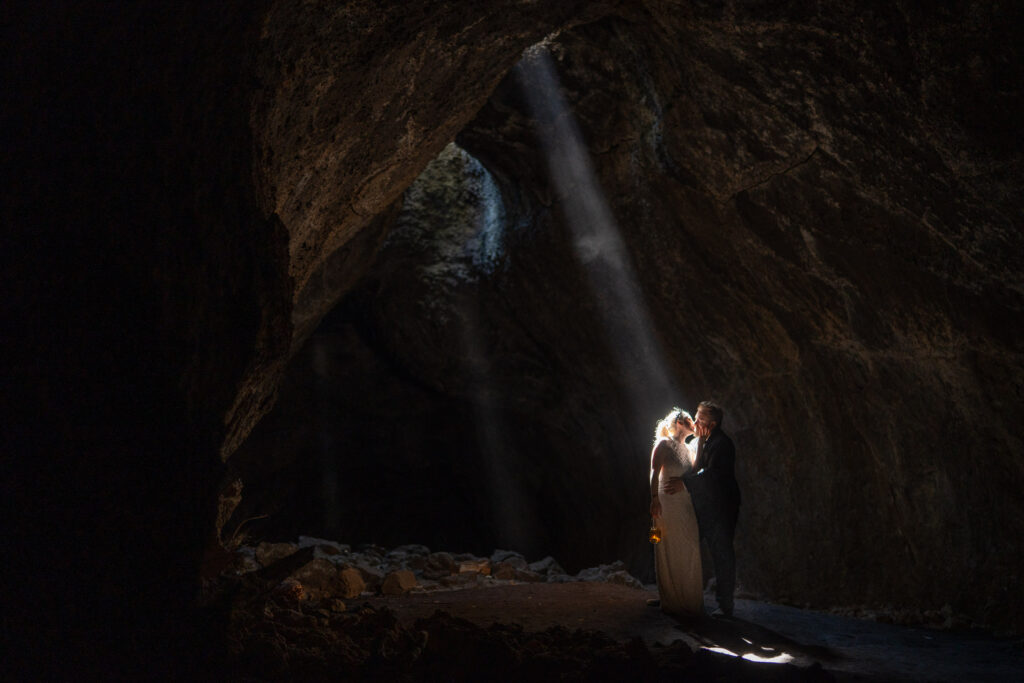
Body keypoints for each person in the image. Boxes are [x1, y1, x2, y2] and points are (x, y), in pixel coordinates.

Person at [681, 400, 741, 617]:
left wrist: (684, 481)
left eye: (700, 419)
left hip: (721, 509)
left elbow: (712, 475)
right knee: (688, 546)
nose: (695, 422)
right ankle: (680, 595)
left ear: (712, 424)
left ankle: (725, 605)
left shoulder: (722, 444)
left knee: (722, 553)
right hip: (706, 506)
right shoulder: (704, 441)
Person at [647, 408, 704, 618]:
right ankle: (670, 598)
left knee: (689, 545)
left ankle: (689, 598)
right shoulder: (663, 444)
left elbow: (696, 473)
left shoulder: (689, 449)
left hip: (684, 503)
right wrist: (653, 499)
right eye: (690, 419)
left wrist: (703, 441)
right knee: (665, 545)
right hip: (665, 504)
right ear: (680, 421)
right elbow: (654, 472)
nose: (694, 422)